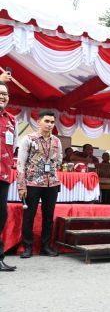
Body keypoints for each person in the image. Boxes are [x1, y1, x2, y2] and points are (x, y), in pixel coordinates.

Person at [17, 110, 63, 258]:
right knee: (29, 216)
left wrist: (51, 162)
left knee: (48, 217)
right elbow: (20, 163)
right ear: (39, 121)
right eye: (47, 121)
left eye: (52, 122)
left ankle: (45, 247)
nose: (50, 125)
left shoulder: (56, 141)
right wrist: (21, 185)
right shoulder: (28, 139)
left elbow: (60, 159)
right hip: (32, 183)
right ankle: (28, 247)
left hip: (52, 183)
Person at [0, 80, 16, 271]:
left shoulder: (12, 120)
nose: (2, 96)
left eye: (5, 94)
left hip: (3, 174)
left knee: (1, 214)